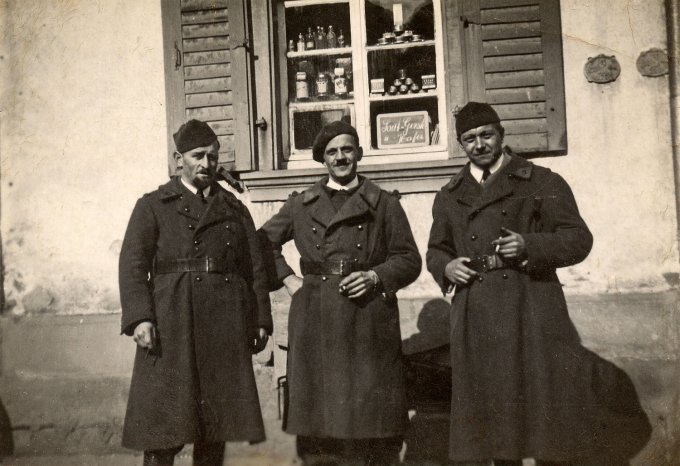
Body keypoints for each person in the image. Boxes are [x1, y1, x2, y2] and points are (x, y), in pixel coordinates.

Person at [426, 102, 610, 465]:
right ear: (461, 144)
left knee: (542, 411)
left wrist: (531, 245)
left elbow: (578, 239)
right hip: (475, 309)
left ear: (502, 135)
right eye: (469, 139)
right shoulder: (449, 194)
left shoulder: (541, 180)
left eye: (486, 136)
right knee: (491, 413)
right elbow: (436, 250)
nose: (479, 145)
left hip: (531, 305)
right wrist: (446, 268)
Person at [259, 121, 421, 465]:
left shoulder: (384, 203)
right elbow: (259, 245)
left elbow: (409, 259)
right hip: (316, 316)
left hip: (369, 318)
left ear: (359, 153)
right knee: (321, 426)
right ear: (323, 160)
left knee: (372, 421)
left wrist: (376, 277)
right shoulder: (301, 204)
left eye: (347, 149)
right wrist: (288, 279)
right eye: (332, 152)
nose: (341, 157)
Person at [119, 119, 272, 466]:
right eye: (198, 156)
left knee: (215, 428)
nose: (206, 164)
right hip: (171, 323)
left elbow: (255, 270)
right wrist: (140, 317)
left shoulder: (234, 209)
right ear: (179, 159)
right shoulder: (153, 205)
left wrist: (260, 319)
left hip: (224, 326)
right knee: (163, 428)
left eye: (213, 157)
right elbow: (132, 264)